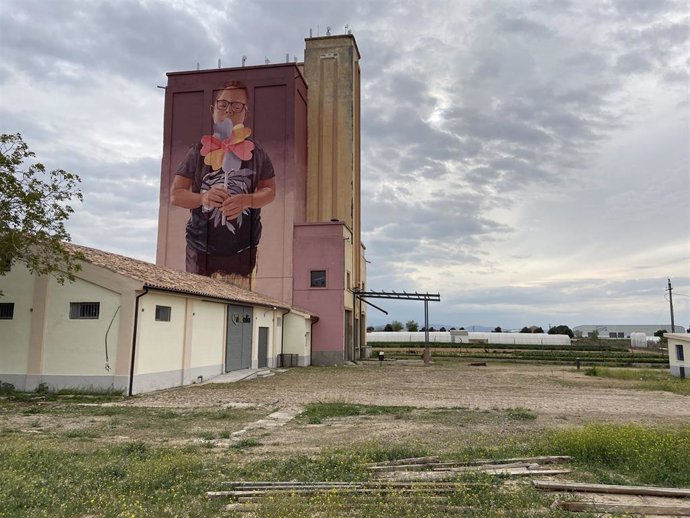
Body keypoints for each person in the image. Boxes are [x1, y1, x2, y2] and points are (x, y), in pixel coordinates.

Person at [171, 81, 276, 289]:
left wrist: (248, 200)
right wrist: (203, 198)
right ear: (213, 110)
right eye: (223, 105)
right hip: (200, 249)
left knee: (242, 310)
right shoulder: (198, 151)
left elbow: (270, 191)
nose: (229, 111)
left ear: (245, 112)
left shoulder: (257, 152)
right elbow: (176, 194)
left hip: (243, 250)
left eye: (237, 107)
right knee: (197, 303)